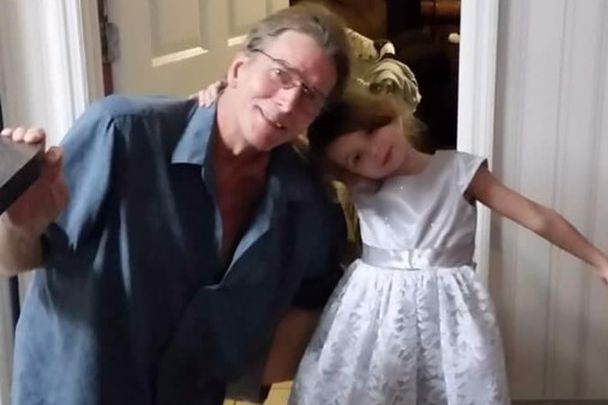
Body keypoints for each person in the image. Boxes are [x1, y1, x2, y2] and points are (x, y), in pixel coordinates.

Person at [0, 4, 351, 405]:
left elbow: (314, 310)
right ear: (238, 69)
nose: (288, 103)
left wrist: (233, 372)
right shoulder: (122, 133)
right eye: (280, 74)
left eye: (310, 95)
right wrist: (18, 226)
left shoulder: (307, 203)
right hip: (75, 390)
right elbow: (12, 261)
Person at [287, 89, 608, 405]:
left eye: (370, 132)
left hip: (449, 317)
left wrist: (602, 263)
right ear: (351, 174)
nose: (374, 151)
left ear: (388, 113)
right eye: (356, 158)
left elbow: (538, 218)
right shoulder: (364, 190)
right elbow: (290, 157)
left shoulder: (459, 171)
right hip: (373, 315)